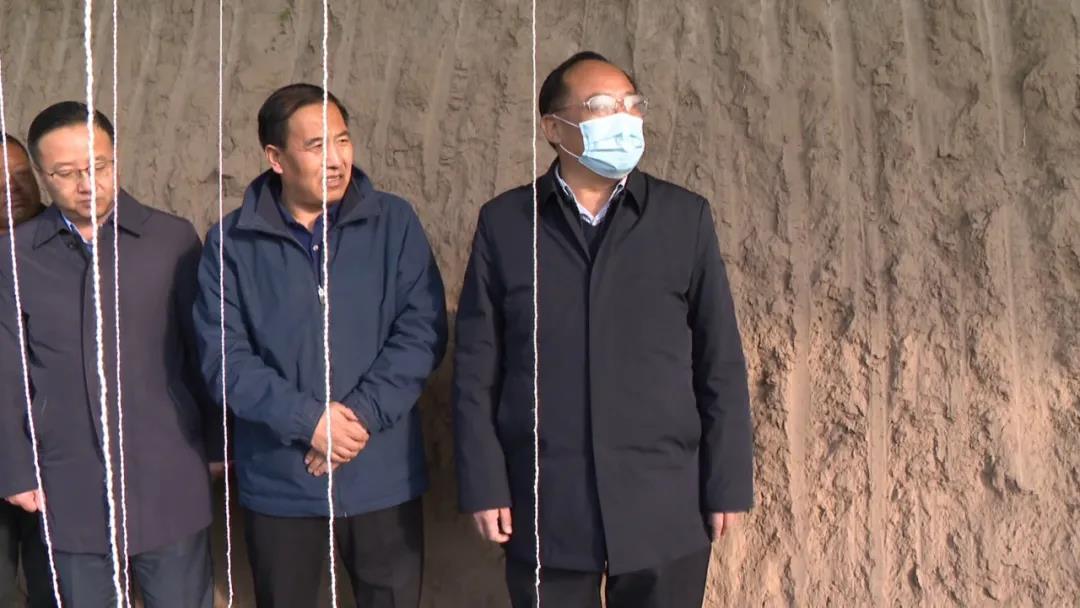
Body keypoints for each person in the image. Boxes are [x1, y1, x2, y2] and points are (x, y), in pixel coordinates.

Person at [453, 51, 755, 608]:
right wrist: (484, 482)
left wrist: (727, 482)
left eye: (631, 105)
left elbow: (720, 360)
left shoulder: (683, 217)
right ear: (553, 128)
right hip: (545, 499)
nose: (623, 118)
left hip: (664, 498)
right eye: (601, 106)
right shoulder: (507, 223)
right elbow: (476, 369)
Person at [193, 83, 447, 607]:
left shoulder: (393, 222)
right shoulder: (232, 241)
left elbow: (421, 330)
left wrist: (357, 418)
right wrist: (307, 421)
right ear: (276, 158)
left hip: (380, 472)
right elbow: (224, 358)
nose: (336, 159)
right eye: (315, 146)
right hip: (282, 479)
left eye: (343, 140)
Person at [0, 102, 220, 607]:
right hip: (66, 478)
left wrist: (215, 443)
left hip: (169, 469)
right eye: (66, 173)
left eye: (98, 165)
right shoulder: (15, 256)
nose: (87, 183)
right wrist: (16, 469)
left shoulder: (171, 239)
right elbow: (6, 372)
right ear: (41, 176)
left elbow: (202, 350)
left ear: (115, 158)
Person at [0, 133, 53, 608]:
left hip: (54, 454)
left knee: (56, 587)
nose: (12, 188)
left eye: (20, 175)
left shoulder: (66, 243)